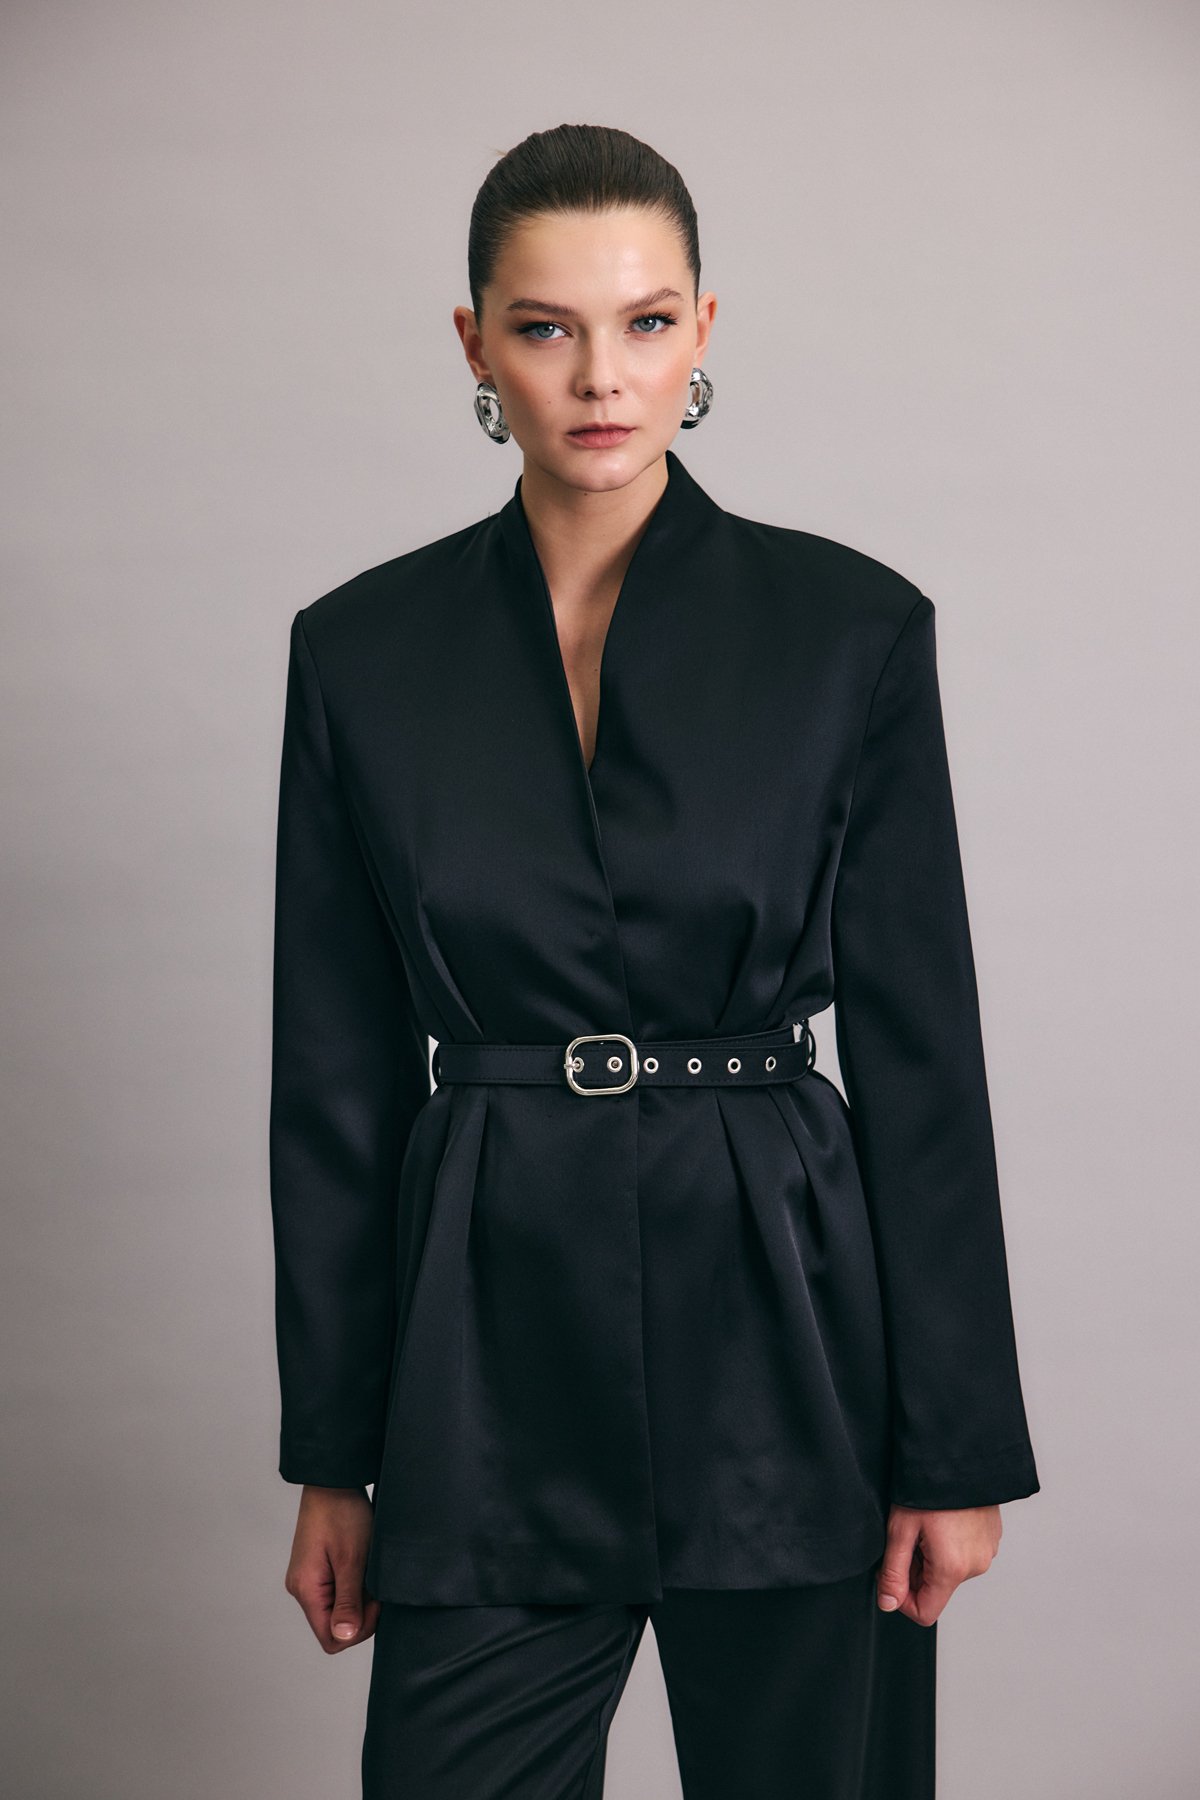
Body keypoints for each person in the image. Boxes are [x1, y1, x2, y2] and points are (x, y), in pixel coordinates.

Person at [268, 123, 1041, 1798]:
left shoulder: (850, 632)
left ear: (703, 332)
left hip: (788, 1330)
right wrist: (335, 1457)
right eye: (545, 328)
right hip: (485, 1349)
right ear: (475, 344)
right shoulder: (360, 654)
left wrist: (955, 1448)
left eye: (644, 321)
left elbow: (923, 1062)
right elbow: (331, 1083)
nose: (599, 376)